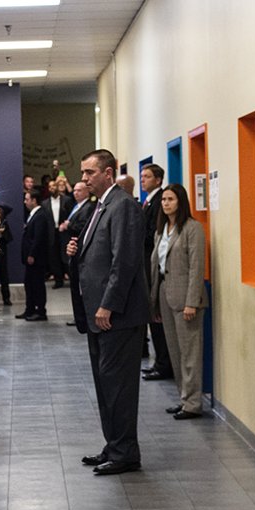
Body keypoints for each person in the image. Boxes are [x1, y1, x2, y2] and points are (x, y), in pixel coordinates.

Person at [68, 149, 149, 476]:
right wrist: (74, 253)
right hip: (98, 315)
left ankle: (125, 451)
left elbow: (125, 262)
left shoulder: (123, 206)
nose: (84, 178)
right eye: (84, 172)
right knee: (105, 384)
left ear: (108, 173)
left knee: (119, 386)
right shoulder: (100, 207)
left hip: (117, 315)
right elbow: (96, 255)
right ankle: (114, 444)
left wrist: (108, 304)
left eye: (90, 172)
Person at [149, 183, 207, 419]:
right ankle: (184, 398)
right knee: (174, 352)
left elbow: (196, 267)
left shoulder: (192, 228)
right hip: (165, 293)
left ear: (180, 202)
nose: (165, 204)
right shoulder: (161, 230)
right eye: (163, 200)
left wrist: (191, 301)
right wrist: (154, 301)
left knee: (189, 353)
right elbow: (156, 266)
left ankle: (193, 403)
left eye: (170, 199)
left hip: (186, 298)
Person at [139, 164, 175, 382]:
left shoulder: (159, 200)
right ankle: (159, 362)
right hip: (149, 264)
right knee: (155, 317)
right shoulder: (150, 201)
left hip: (155, 266)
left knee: (159, 320)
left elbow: (151, 231)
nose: (143, 180)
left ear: (159, 180)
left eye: (148, 176)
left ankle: (163, 364)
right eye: (142, 176)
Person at [62, 180, 94, 331]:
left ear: (87, 191)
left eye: (79, 190)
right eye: (74, 190)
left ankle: (82, 318)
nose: (76, 193)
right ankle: (79, 317)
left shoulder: (88, 207)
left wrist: (68, 225)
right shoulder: (76, 206)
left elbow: (83, 227)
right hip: (72, 248)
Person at [16, 189, 52, 321]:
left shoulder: (41, 215)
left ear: (34, 200)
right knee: (29, 284)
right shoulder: (33, 215)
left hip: (36, 258)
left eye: (27, 199)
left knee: (37, 284)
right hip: (31, 258)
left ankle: (41, 311)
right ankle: (30, 309)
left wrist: (32, 254)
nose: (25, 202)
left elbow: (38, 237)